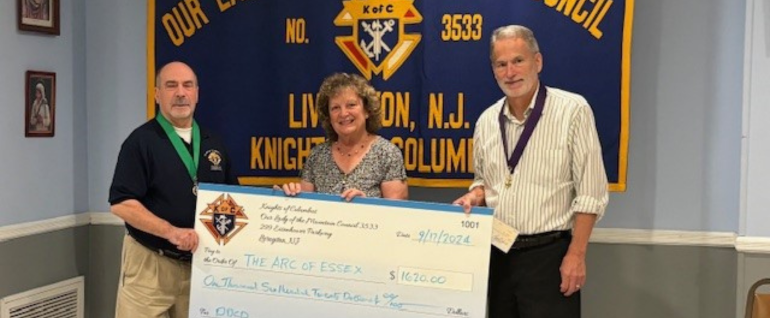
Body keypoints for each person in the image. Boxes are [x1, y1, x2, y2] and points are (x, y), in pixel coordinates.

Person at [453, 25, 609, 318]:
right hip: (497, 254)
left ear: (537, 62)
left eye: (518, 61)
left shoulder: (572, 110)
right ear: (493, 70)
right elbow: (484, 182)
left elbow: (591, 193)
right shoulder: (486, 121)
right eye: (501, 64)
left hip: (549, 256)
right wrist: (474, 196)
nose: (510, 72)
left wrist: (576, 255)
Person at [108, 61, 238, 318]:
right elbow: (121, 203)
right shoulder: (140, 142)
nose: (180, 92)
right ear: (157, 94)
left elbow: (232, 201)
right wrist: (171, 232)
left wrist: (275, 200)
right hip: (150, 266)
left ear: (197, 93)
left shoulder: (214, 143)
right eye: (171, 86)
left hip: (201, 267)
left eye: (187, 85)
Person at [278, 73, 408, 200]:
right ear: (328, 117)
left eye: (351, 105)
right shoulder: (317, 156)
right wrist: (287, 198)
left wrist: (367, 205)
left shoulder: (387, 154)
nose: (343, 113)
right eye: (335, 108)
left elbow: (396, 215)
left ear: (367, 111)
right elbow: (305, 209)